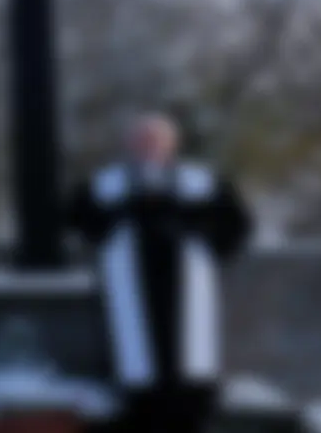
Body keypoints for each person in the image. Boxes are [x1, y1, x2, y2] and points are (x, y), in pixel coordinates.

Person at [63, 112, 253, 433]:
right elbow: (79, 221)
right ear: (129, 145)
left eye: (156, 140)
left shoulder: (202, 182)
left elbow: (237, 225)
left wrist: (204, 245)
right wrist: (112, 231)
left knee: (189, 369)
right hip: (133, 287)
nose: (149, 147)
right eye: (141, 140)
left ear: (172, 145)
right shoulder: (106, 185)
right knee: (137, 365)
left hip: (186, 287)